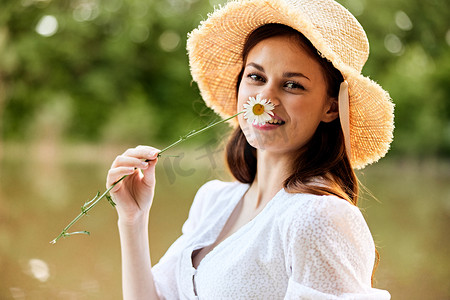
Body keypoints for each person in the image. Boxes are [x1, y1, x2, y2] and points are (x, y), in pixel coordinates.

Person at [106, 0, 394, 298]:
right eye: (256, 77)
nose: (266, 97)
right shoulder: (213, 200)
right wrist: (133, 219)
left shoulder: (318, 217)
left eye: (293, 85)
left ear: (331, 107)